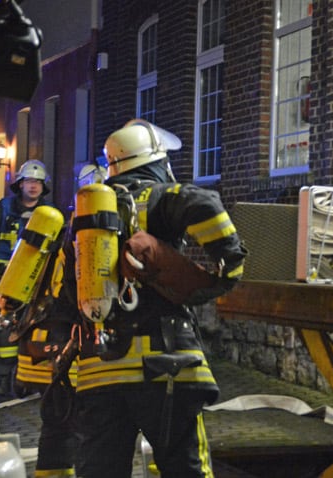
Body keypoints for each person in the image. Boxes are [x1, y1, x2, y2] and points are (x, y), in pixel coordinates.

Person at [55, 119, 246, 477]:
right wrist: (221, 273)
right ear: (156, 161)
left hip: (99, 370)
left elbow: (68, 293)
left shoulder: (84, 219)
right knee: (185, 469)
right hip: (166, 366)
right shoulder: (162, 197)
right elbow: (206, 206)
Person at [10, 164, 109, 477]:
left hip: (39, 348)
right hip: (70, 352)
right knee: (83, 429)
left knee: (56, 427)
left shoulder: (56, 229)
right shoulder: (96, 238)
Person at [0, 159, 56, 399]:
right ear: (20, 184)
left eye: (38, 182)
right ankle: (4, 381)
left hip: (39, 281)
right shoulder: (3, 208)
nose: (33, 186)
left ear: (43, 187)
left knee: (36, 328)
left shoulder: (50, 214)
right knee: (4, 329)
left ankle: (29, 379)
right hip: (6, 280)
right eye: (29, 181)